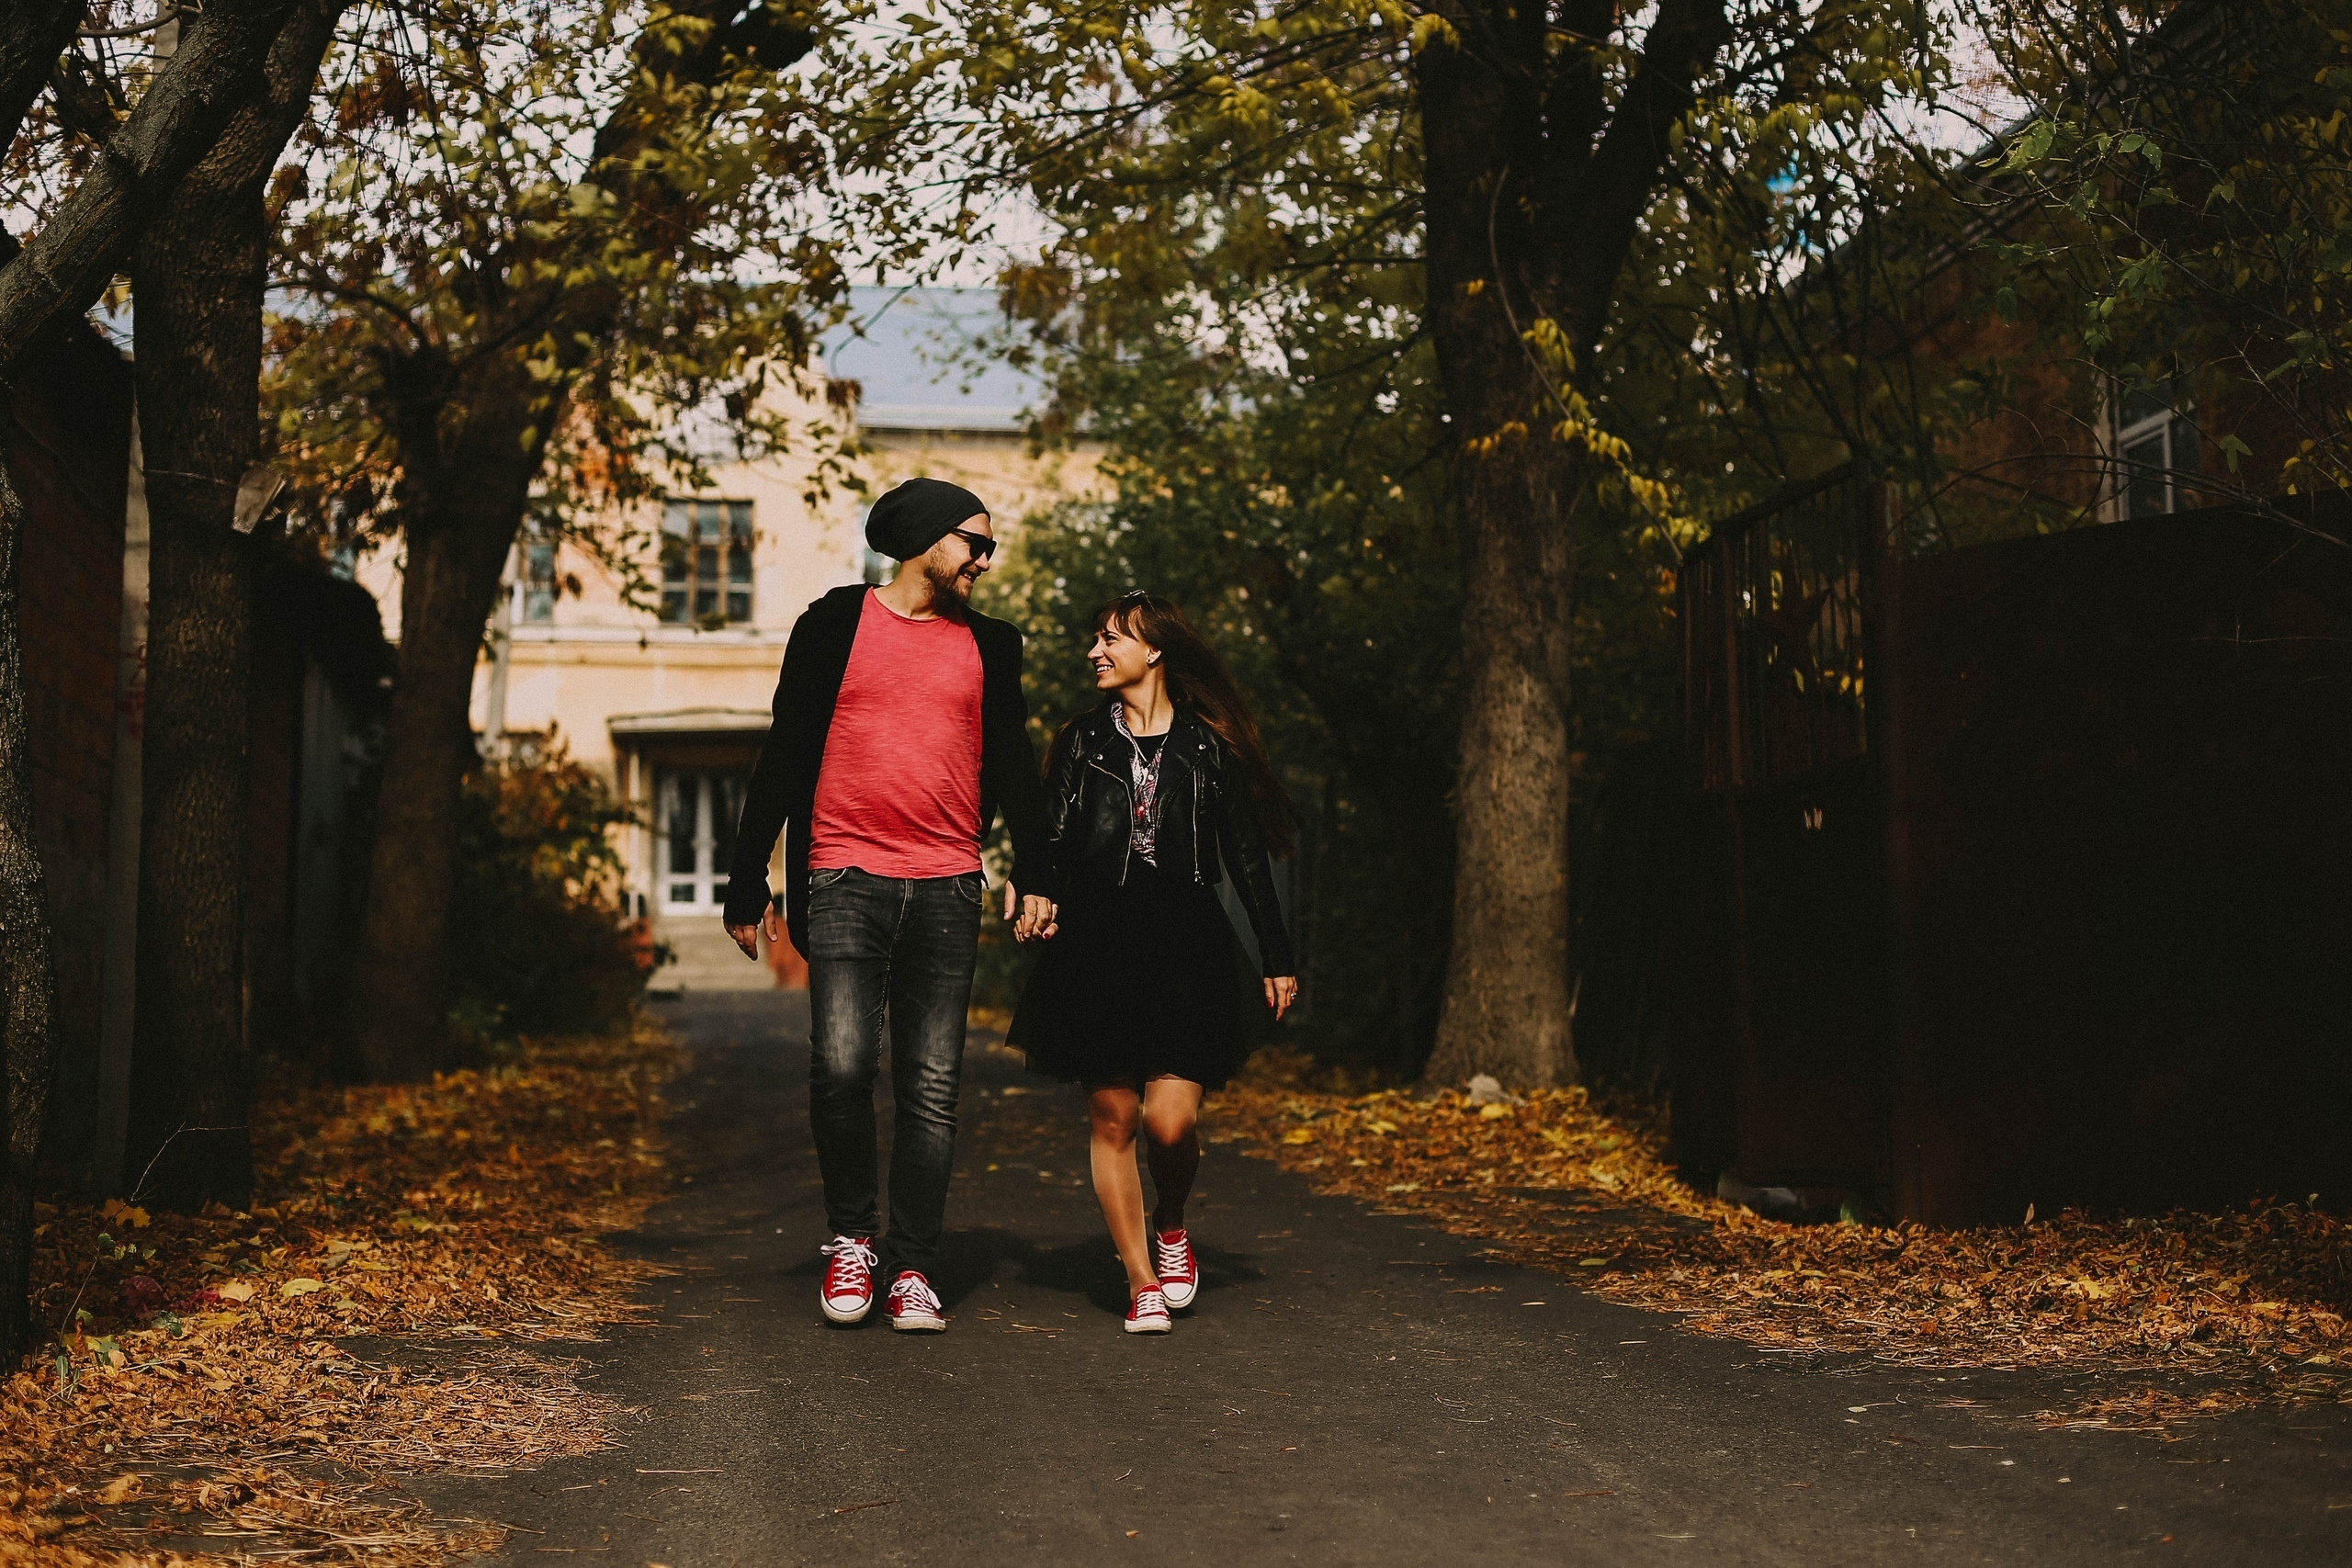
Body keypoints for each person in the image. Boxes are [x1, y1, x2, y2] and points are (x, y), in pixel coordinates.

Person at [723, 477, 1054, 1333]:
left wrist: (1041, 869)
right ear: (919, 538)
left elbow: (1013, 762)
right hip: (841, 875)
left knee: (932, 1085)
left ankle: (912, 1263)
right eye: (972, 541)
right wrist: (744, 875)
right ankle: (853, 1239)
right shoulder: (832, 624)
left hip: (947, 881)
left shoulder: (993, 644)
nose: (985, 557)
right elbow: (786, 751)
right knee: (840, 1067)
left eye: (988, 545)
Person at [1009, 591, 1298, 1334]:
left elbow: (1246, 860)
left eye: (1110, 639)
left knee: (1170, 1125)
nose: (1095, 652)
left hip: (1185, 944)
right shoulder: (1081, 742)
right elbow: (1051, 837)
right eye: (1095, 639)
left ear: (1156, 649)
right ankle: (1141, 1280)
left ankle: (1171, 1221)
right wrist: (1033, 886)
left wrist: (1276, 954)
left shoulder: (1208, 747)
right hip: (1097, 941)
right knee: (1114, 1117)